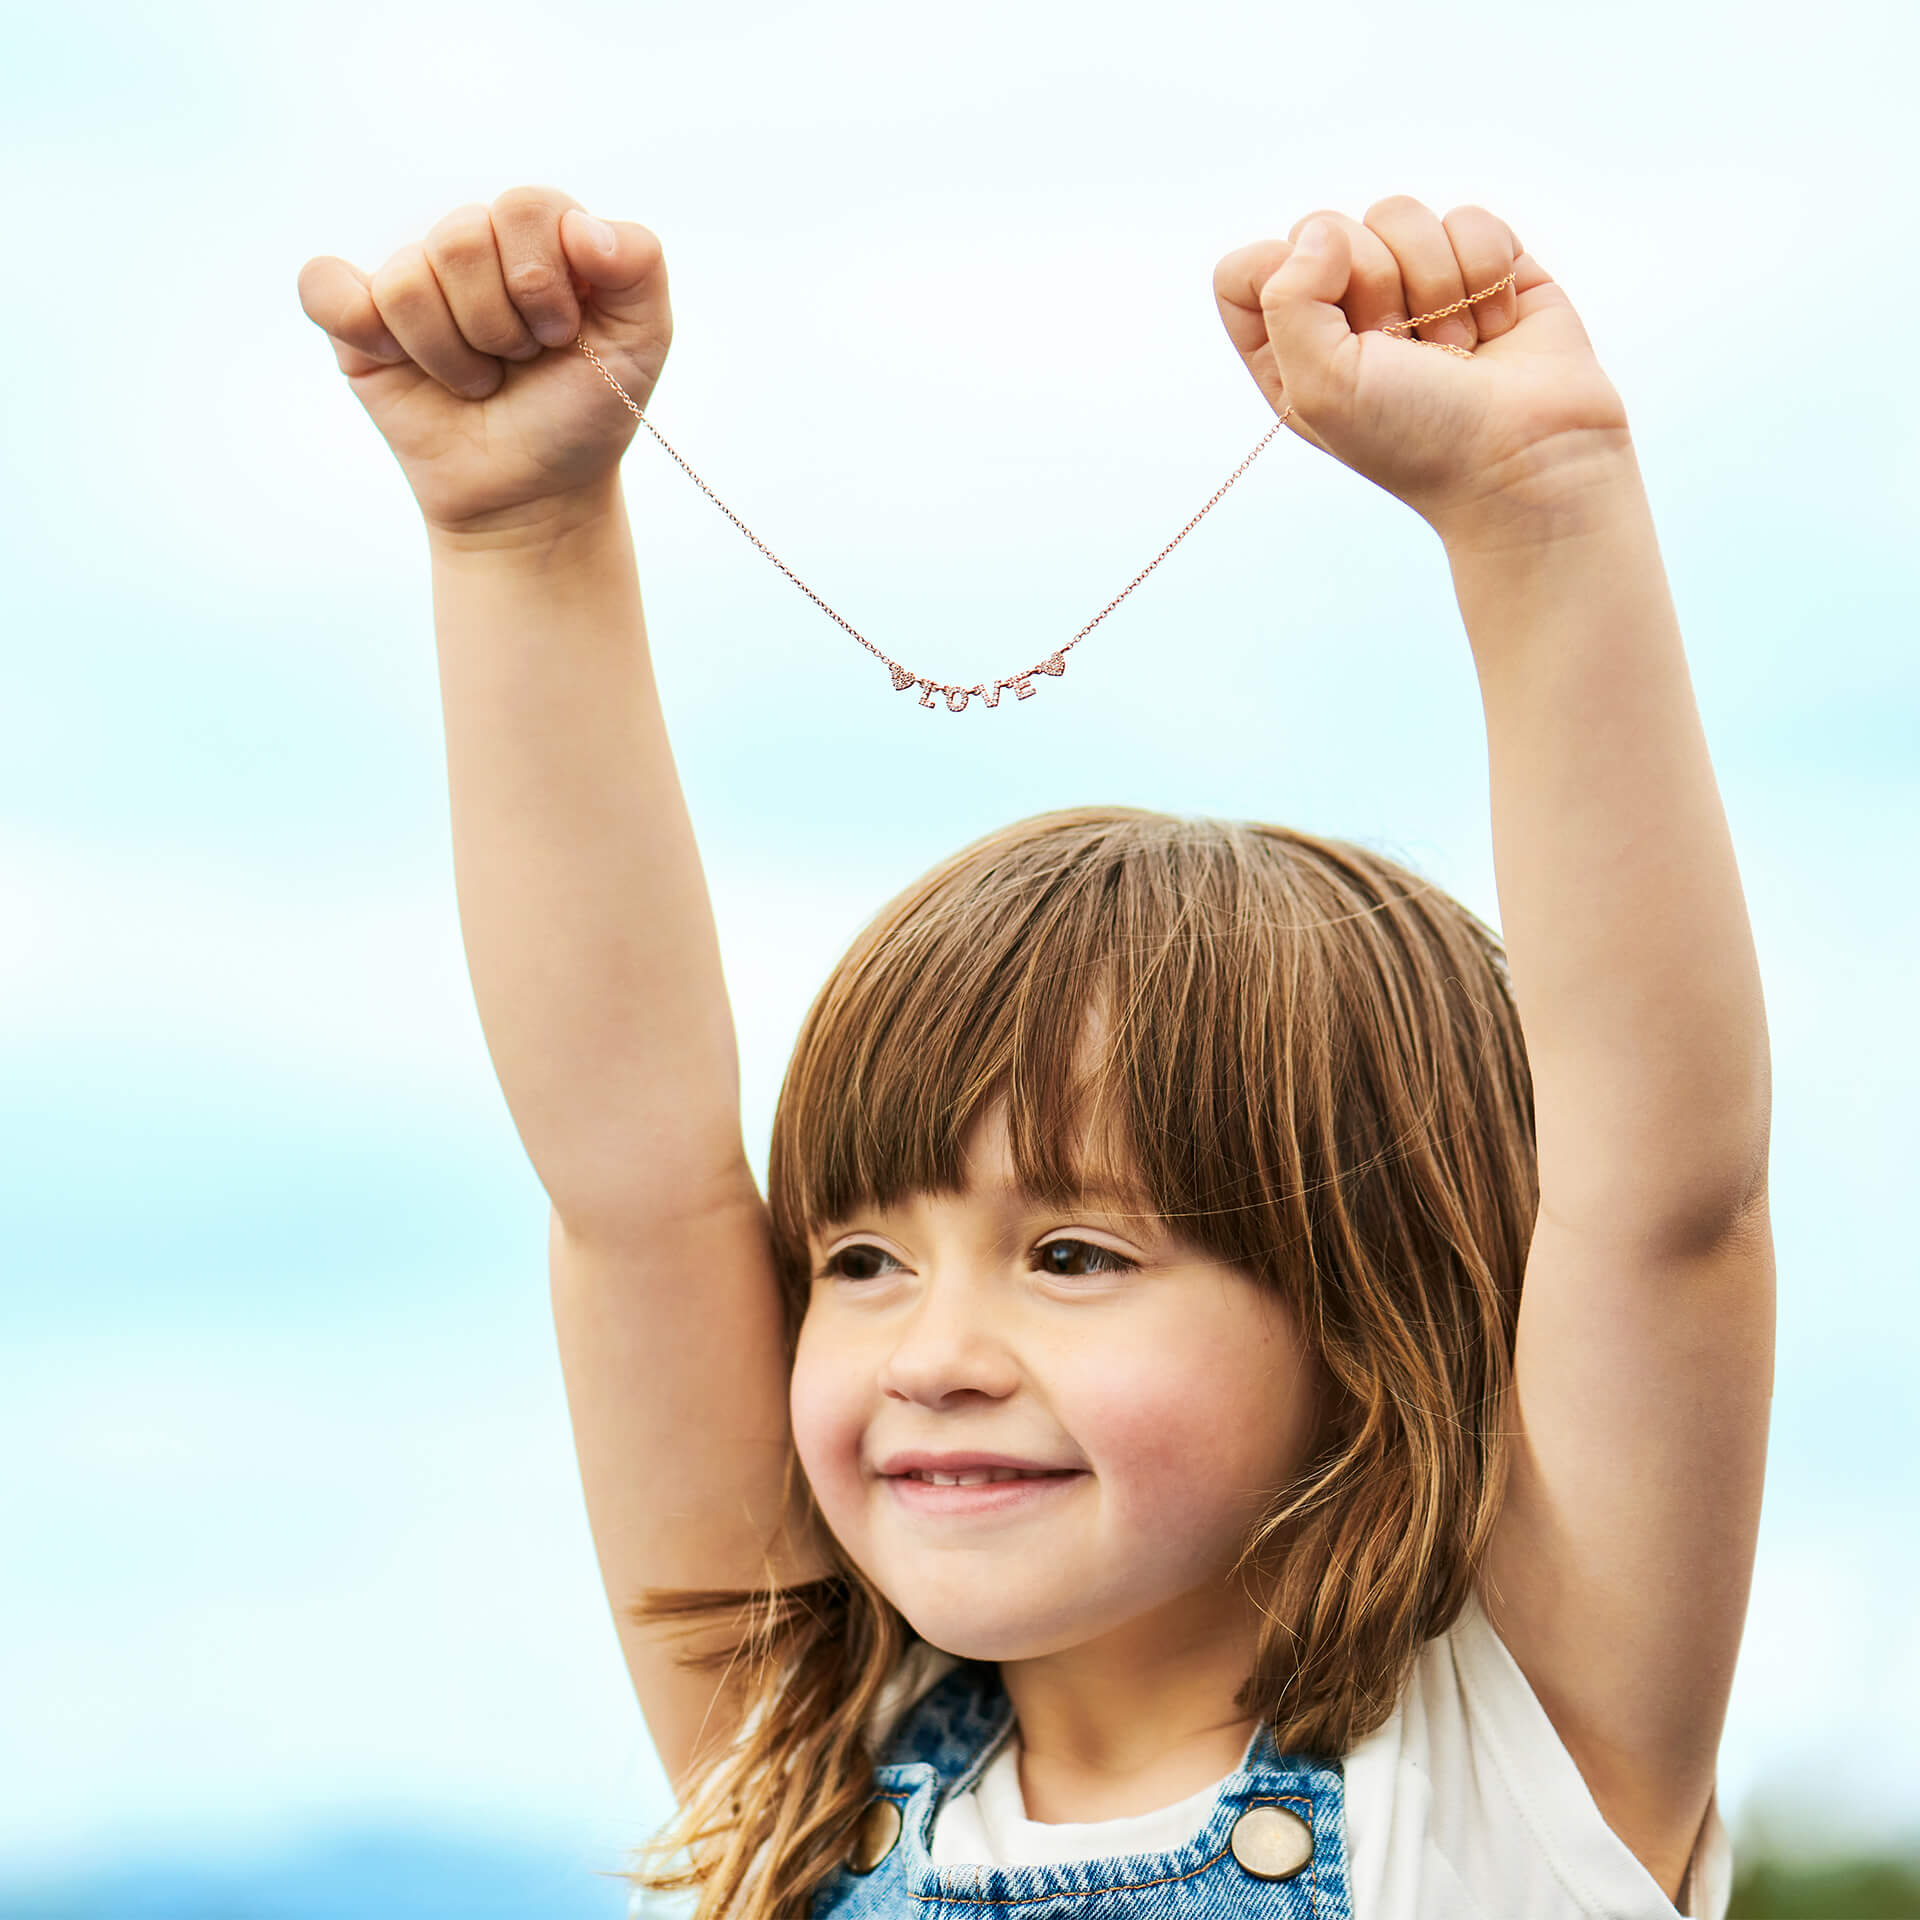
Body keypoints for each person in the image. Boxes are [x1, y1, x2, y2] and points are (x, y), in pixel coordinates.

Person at [296, 184, 1773, 1920]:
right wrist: (516, 536)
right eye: (857, 1260)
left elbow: (1664, 1199)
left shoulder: (1520, 1751)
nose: (932, 1355)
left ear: (1376, 1318)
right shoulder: (796, 1767)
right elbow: (634, 1192)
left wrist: (1539, 515)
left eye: (1071, 1254)